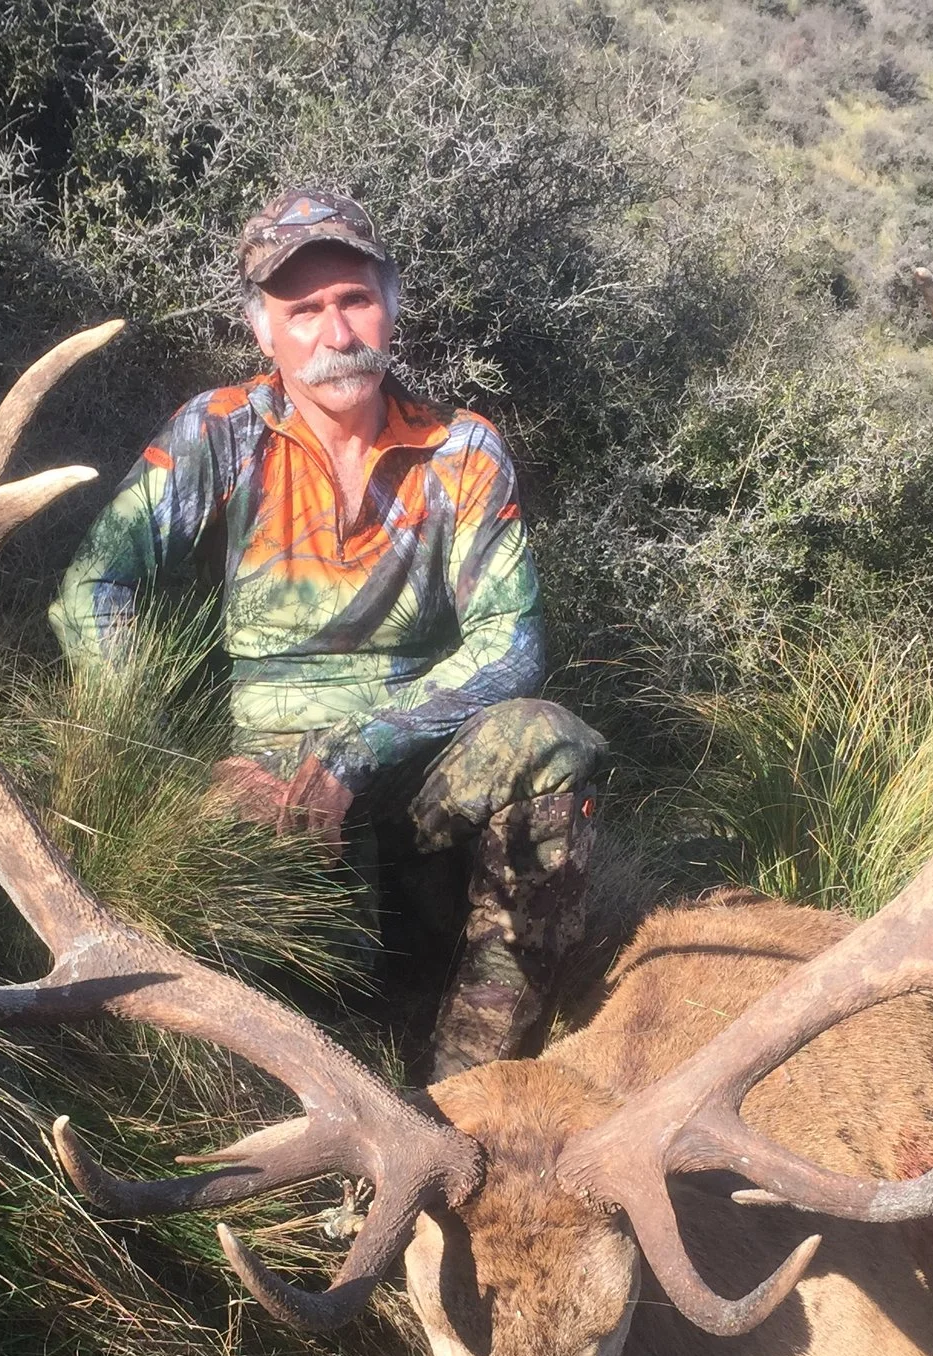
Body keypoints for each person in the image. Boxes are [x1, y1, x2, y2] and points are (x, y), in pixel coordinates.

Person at [49, 187, 605, 1079]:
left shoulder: (462, 449)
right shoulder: (220, 432)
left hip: (417, 759)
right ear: (263, 331)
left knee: (549, 742)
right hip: (260, 777)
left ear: (391, 305)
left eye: (353, 299)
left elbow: (511, 644)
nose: (335, 331)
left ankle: (469, 1083)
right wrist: (171, 765)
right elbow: (92, 589)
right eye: (302, 310)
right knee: (264, 981)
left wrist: (360, 748)